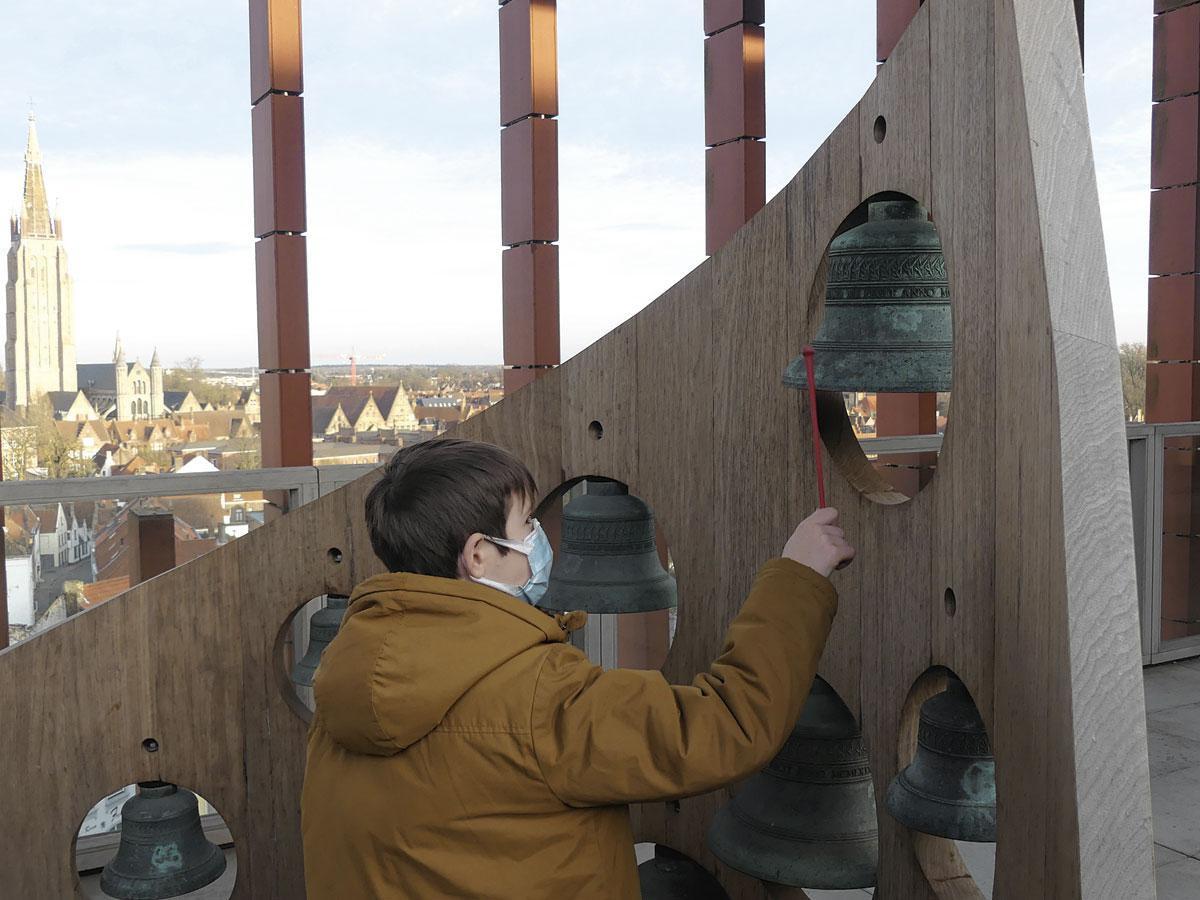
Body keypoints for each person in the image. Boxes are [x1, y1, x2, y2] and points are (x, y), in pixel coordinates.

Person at [301, 438, 855, 899]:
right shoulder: (539, 696)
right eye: (525, 526)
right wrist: (797, 578)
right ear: (478, 555)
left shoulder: (346, 680)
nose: (540, 539)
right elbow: (727, 725)